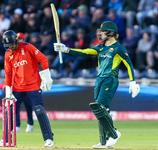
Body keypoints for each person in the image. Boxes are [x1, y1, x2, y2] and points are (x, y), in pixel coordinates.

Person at [54, 21, 140, 149]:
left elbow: (129, 64)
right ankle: (104, 142)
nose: (100, 33)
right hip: (99, 80)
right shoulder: (100, 47)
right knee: (103, 110)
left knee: (98, 107)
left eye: (103, 31)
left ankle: (114, 133)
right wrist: (65, 49)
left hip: (110, 79)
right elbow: (83, 52)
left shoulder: (118, 48)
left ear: (110, 32)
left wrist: (133, 82)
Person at [0, 30, 54, 147]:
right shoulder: (8, 55)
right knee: (9, 111)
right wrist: (8, 90)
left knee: (39, 110)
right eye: (8, 46)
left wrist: (46, 77)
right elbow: (8, 74)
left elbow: (43, 59)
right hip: (17, 87)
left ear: (16, 41)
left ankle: (48, 139)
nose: (10, 47)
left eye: (12, 44)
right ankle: (6, 139)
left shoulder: (28, 47)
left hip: (33, 85)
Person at [14, 32, 34, 133]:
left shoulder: (28, 48)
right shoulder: (13, 51)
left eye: (21, 39)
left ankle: (30, 123)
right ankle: (17, 125)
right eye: (18, 39)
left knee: (28, 105)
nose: (20, 41)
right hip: (18, 84)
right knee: (15, 106)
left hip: (29, 83)